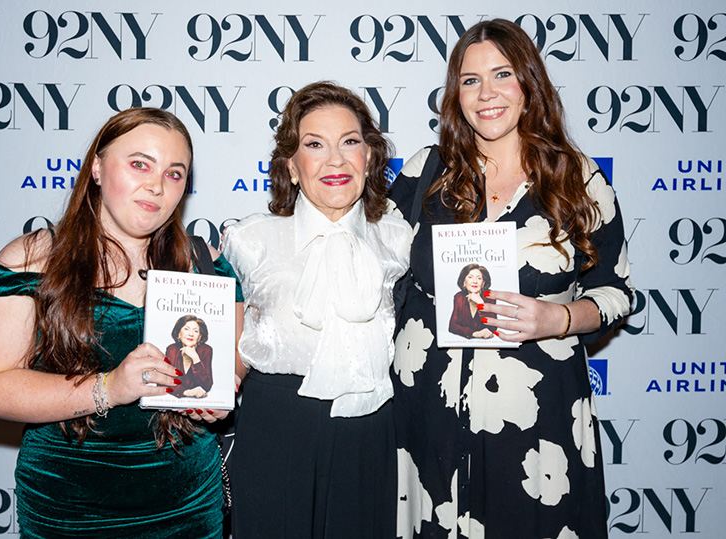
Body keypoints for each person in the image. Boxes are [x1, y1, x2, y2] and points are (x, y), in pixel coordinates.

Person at [390, 19, 634, 539]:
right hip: (427, 413)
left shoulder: (577, 177)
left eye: (502, 74)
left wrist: (560, 317)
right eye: (470, 79)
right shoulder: (424, 172)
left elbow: (617, 292)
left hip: (537, 419)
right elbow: (366, 262)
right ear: (455, 94)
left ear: (529, 82)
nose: (487, 93)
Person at [0, 107, 244, 538]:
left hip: (187, 506)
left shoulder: (205, 265)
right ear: (96, 166)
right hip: (67, 506)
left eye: (174, 173)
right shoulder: (31, 260)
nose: (156, 184)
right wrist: (110, 387)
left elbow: (232, 366)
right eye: (139, 164)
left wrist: (220, 392)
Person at [222, 81, 413, 539]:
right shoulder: (248, 240)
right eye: (314, 145)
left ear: (369, 157)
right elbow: (229, 346)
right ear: (291, 165)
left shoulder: (400, 239)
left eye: (350, 142)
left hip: (371, 429)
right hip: (276, 426)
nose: (335, 159)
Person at [166, 315, 214, 397]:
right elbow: (164, 381)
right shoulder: (172, 349)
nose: (191, 334)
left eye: (195, 331)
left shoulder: (206, 350)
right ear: (179, 333)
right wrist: (186, 392)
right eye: (186, 329)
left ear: (199, 337)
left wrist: (196, 359)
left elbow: (207, 386)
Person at [448, 263, 496, 339]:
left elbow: (493, 326)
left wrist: (481, 303)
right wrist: (474, 333)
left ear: (483, 283)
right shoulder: (459, 297)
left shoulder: (490, 296)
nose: (475, 281)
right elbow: (453, 326)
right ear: (464, 282)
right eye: (470, 277)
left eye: (479, 278)